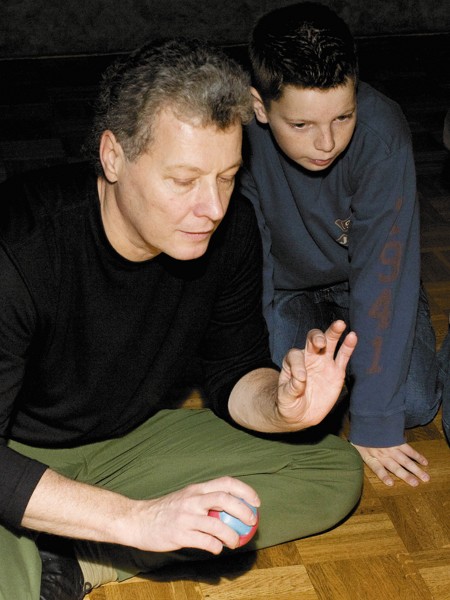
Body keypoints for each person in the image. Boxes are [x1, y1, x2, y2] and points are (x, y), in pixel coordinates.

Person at [0, 38, 363, 600]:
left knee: (331, 471)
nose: (213, 208)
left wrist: (283, 406)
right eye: (184, 180)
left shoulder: (230, 231)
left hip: (128, 444)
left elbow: (233, 370)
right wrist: (133, 521)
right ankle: (77, 535)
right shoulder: (20, 247)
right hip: (17, 455)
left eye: (227, 177)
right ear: (114, 156)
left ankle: (78, 558)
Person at [240, 1, 450, 488]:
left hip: (364, 282)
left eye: (342, 117)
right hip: (283, 289)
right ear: (259, 107)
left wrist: (376, 423)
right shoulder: (237, 135)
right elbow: (251, 271)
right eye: (302, 125)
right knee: (293, 401)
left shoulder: (381, 134)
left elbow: (384, 273)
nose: (326, 142)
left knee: (413, 405)